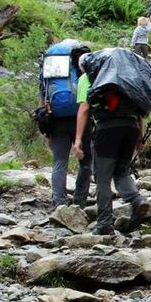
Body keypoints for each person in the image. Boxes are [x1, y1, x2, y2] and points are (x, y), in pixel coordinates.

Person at [73, 55, 150, 235]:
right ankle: (138, 200)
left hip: (107, 129)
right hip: (130, 127)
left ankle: (104, 223)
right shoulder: (124, 77)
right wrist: (139, 137)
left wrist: (77, 140)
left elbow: (84, 108)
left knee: (103, 176)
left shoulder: (89, 77)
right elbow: (139, 112)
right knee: (121, 171)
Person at [43, 55, 92, 208]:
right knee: (85, 162)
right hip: (82, 121)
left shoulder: (51, 70)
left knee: (59, 162)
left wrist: (47, 128)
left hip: (58, 121)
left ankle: (59, 203)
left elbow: (44, 99)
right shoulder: (85, 69)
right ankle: (80, 200)